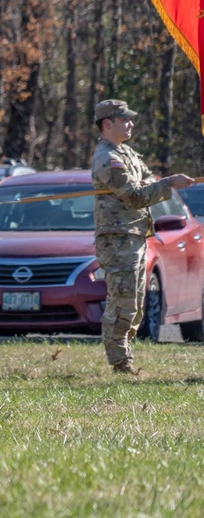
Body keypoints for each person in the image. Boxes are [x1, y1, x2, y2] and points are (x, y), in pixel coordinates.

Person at [90, 99, 194, 373]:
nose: (131, 124)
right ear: (107, 124)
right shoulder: (107, 158)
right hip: (118, 239)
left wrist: (160, 182)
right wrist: (168, 184)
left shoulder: (129, 155)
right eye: (125, 120)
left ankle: (124, 357)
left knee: (135, 302)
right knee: (122, 301)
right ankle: (120, 363)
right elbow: (136, 196)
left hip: (134, 236)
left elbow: (146, 180)